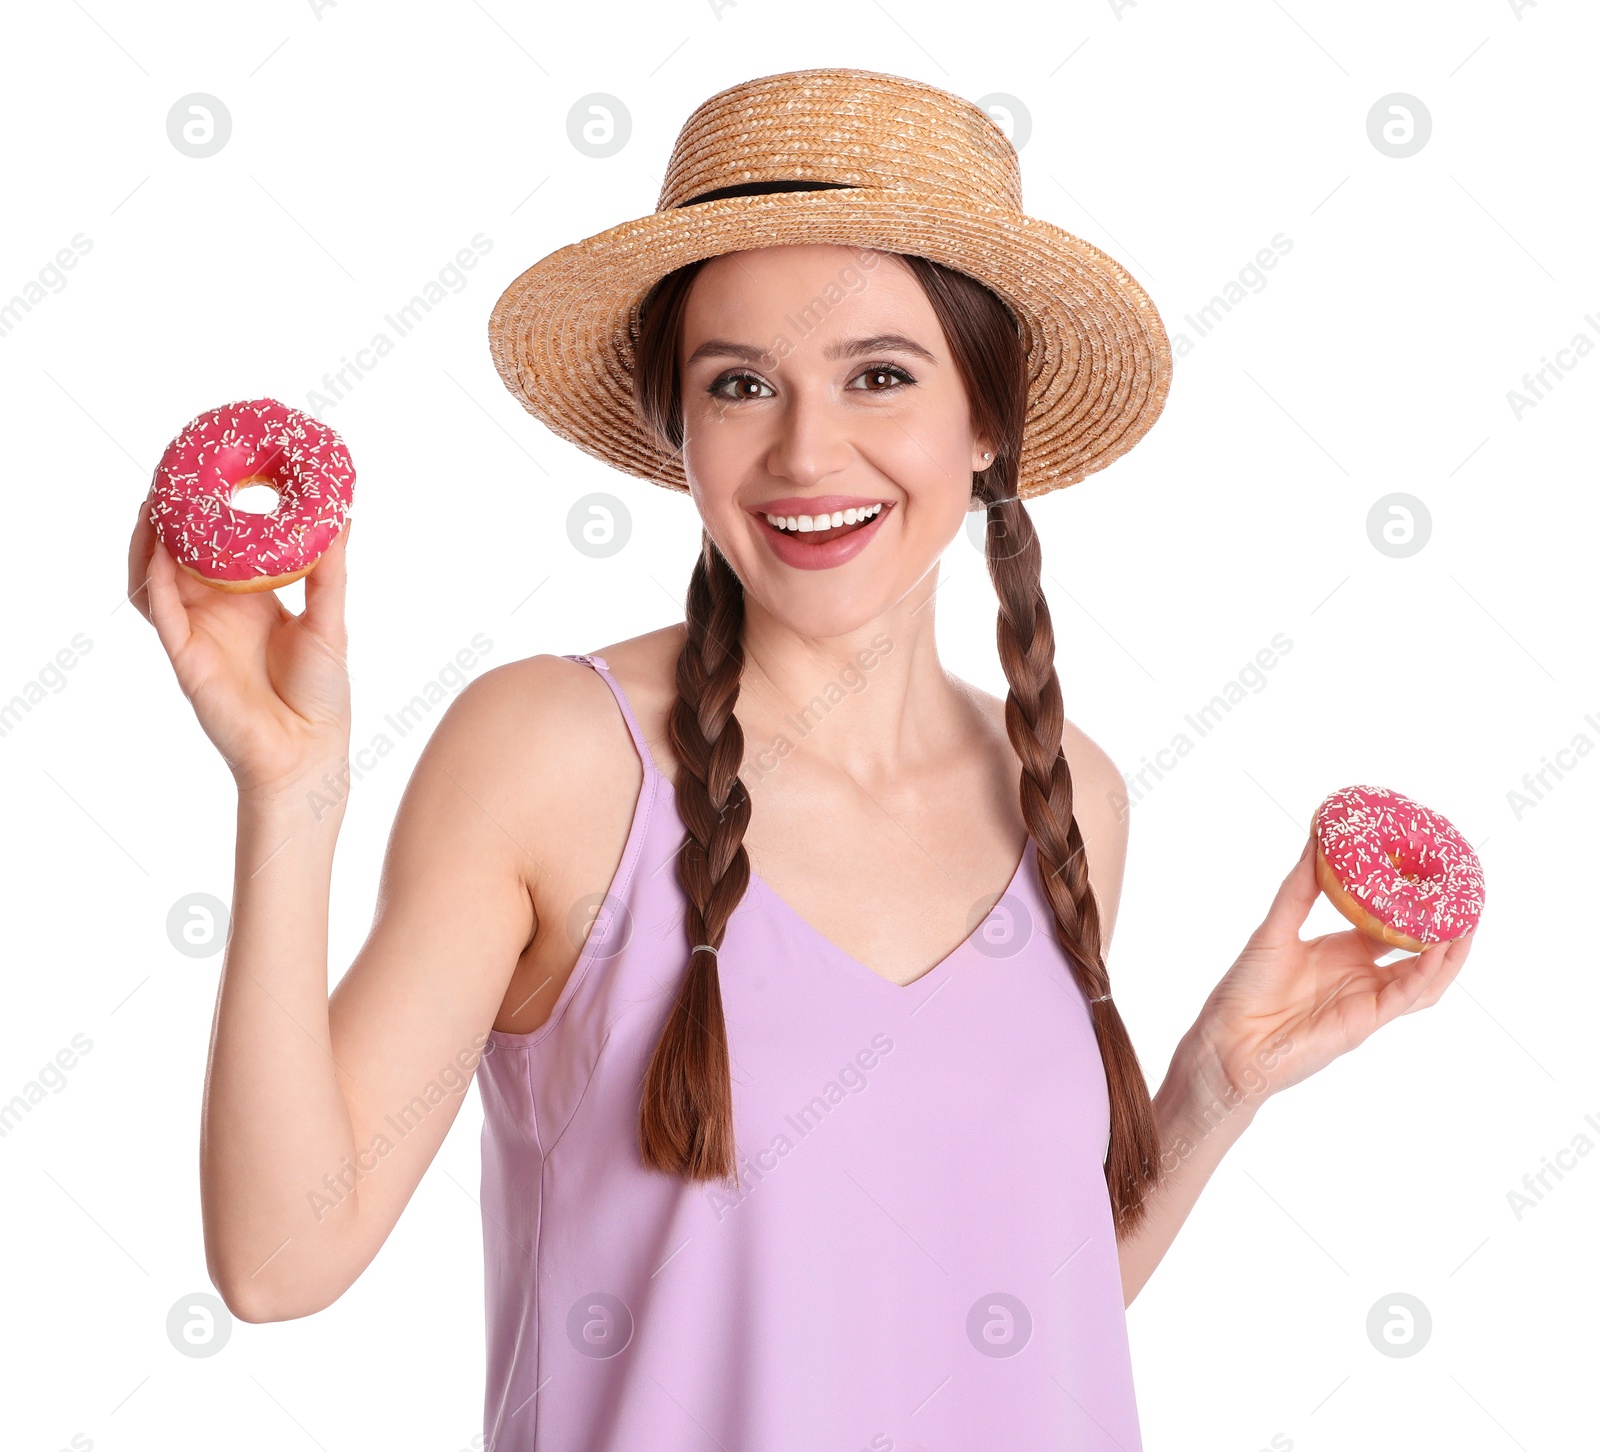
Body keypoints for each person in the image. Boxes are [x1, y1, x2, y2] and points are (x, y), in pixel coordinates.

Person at [128, 66, 1474, 1452]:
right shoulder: (551, 754)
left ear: (988, 419)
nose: (805, 451)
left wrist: (1214, 1086)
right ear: (681, 428)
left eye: (879, 376)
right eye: (740, 385)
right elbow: (281, 1262)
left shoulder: (1070, 796)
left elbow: (1003, 1314)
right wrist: (290, 797)